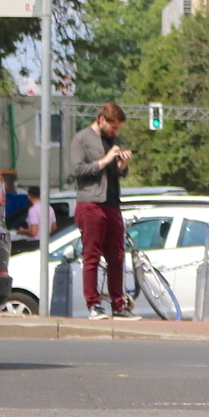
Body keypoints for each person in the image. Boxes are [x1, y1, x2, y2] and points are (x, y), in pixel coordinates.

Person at [68, 104, 136, 319]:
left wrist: (122, 164)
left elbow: (115, 174)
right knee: (92, 255)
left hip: (112, 203)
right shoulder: (81, 139)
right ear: (101, 120)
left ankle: (118, 304)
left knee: (117, 255)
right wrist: (105, 160)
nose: (115, 132)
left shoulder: (112, 140)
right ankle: (93, 304)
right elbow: (77, 170)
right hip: (91, 203)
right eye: (113, 127)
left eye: (117, 129)